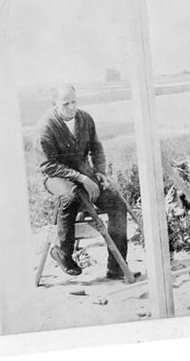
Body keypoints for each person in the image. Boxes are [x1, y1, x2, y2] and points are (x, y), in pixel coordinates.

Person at [36, 83, 138, 280]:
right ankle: (62, 253)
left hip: (85, 174)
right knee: (70, 197)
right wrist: (81, 178)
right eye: (66, 104)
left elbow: (96, 148)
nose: (72, 107)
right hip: (56, 177)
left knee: (117, 204)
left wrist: (100, 172)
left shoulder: (85, 119)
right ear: (54, 104)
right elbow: (48, 166)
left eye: (74, 102)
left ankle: (116, 267)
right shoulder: (45, 128)